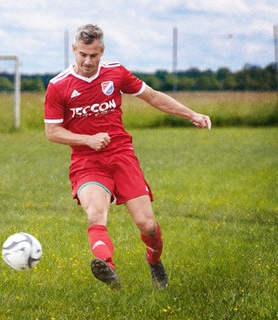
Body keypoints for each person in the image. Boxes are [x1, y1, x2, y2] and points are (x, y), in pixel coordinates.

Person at [43, 24, 211, 290]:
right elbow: (52, 132)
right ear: (74, 50)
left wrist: (192, 114)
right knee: (96, 213)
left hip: (122, 155)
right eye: (83, 54)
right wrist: (88, 140)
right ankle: (106, 265)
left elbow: (153, 97)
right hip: (87, 162)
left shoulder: (116, 73)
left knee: (148, 225)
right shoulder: (58, 86)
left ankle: (155, 263)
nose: (88, 61)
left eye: (93, 55)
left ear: (102, 51)